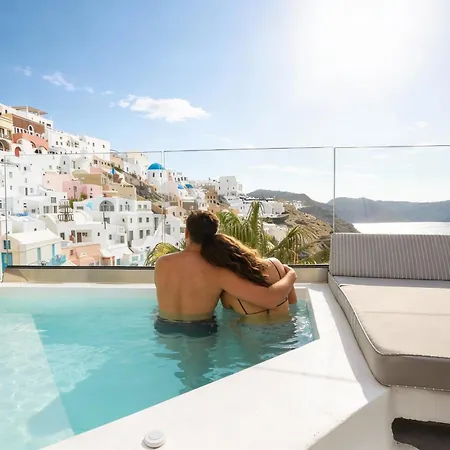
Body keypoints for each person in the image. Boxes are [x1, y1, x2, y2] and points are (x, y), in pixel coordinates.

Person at [154, 211, 296, 333]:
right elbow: (269, 300)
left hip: (164, 326)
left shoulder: (161, 263)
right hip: (199, 329)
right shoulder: (217, 270)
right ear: (213, 236)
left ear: (186, 233)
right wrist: (291, 275)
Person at [211, 235, 297, 321]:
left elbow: (232, 324)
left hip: (254, 329)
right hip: (286, 327)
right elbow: (293, 304)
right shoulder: (275, 265)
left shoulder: (228, 294)